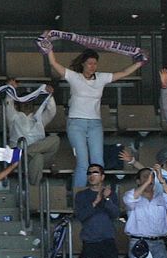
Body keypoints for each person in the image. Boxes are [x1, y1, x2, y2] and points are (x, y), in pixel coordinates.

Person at [47, 49, 144, 179]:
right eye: (90, 63)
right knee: (83, 163)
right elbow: (54, 63)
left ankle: (98, 192)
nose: (93, 66)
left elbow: (123, 73)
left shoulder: (101, 77)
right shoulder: (74, 76)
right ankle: (79, 194)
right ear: (83, 64)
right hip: (76, 124)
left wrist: (140, 62)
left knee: (98, 162)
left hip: (95, 124)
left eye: (95, 63)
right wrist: (48, 48)